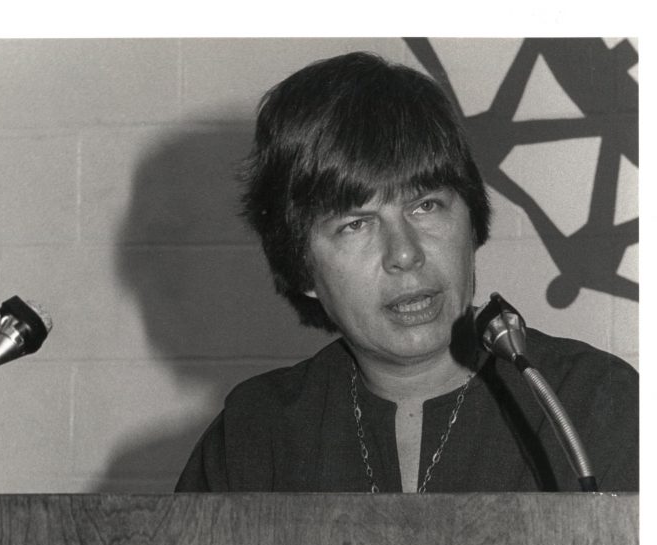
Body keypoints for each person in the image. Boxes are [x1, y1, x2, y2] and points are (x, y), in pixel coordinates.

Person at [176, 52, 638, 493]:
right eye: (355, 223)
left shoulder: (597, 403)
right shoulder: (255, 433)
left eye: (426, 205)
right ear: (302, 269)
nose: (404, 254)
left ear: (472, 220)